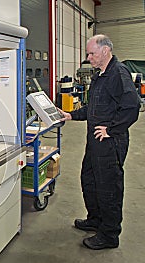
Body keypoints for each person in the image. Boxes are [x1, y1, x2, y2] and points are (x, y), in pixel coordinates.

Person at [59, 34, 140, 250]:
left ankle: (110, 234)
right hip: (95, 142)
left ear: (105, 51)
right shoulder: (100, 75)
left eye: (92, 53)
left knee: (108, 187)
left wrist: (111, 129)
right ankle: (96, 219)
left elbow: (132, 107)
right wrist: (70, 115)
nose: (88, 57)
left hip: (109, 143)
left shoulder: (118, 74)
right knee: (90, 179)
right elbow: (93, 108)